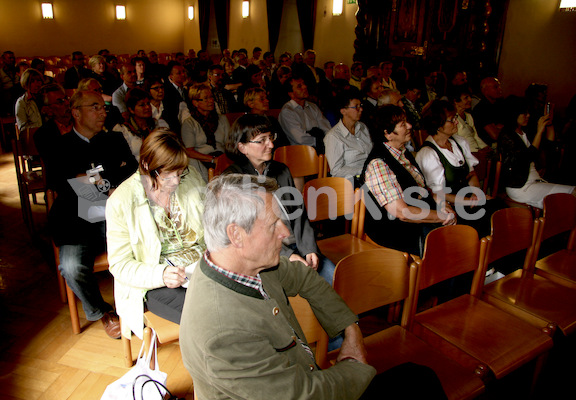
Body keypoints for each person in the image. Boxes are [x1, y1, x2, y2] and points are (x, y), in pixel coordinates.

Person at [180, 173, 447, 400]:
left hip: (306, 383)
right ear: (236, 234)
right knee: (420, 381)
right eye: (274, 225)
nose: (285, 233)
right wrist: (356, 367)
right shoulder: (222, 333)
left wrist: (350, 330)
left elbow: (303, 277)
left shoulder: (243, 267)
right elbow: (303, 395)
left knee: (419, 379)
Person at [46, 90, 138, 339]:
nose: (102, 112)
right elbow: (58, 183)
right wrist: (101, 183)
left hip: (114, 214)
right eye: (95, 107)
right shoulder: (60, 146)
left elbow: (131, 168)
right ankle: (102, 311)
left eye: (103, 107)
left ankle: (142, 300)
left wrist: (94, 182)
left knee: (144, 245)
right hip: (76, 221)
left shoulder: (114, 139)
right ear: (76, 112)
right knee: (72, 267)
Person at [106, 129, 206, 339]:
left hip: (202, 265)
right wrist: (160, 275)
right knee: (205, 313)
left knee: (238, 294)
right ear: (145, 167)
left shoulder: (191, 177)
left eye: (180, 173)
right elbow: (119, 265)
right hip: (156, 280)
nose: (177, 181)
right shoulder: (121, 201)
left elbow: (212, 223)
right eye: (168, 175)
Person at [224, 114, 336, 284]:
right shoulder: (233, 179)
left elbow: (299, 214)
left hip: (297, 244)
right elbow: (250, 232)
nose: (271, 144)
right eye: (262, 140)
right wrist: (288, 255)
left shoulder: (281, 170)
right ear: (242, 147)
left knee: (336, 281)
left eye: (271, 137)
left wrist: (309, 249)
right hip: (267, 253)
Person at [362, 105, 456, 256]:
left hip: (415, 220)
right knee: (447, 243)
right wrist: (440, 216)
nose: (410, 126)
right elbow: (401, 212)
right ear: (387, 134)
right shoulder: (378, 164)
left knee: (462, 229)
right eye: (403, 124)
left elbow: (423, 192)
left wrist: (443, 205)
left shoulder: (403, 154)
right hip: (394, 230)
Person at [416, 100, 502, 237]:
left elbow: (471, 173)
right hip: (451, 206)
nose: (457, 122)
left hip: (469, 199)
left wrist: (476, 193)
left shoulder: (459, 142)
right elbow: (438, 194)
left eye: (456, 117)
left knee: (499, 208)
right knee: (486, 221)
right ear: (438, 125)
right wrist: (470, 201)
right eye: (452, 119)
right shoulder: (428, 153)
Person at [498, 96, 575, 209]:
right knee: (571, 196)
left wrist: (549, 124)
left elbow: (549, 145)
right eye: (524, 113)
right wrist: (539, 131)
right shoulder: (506, 135)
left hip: (535, 181)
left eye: (528, 112)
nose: (528, 115)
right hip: (521, 187)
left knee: (572, 194)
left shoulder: (524, 132)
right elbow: (527, 157)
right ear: (514, 114)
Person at [181, 83, 228, 181]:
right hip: (201, 160)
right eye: (205, 98)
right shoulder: (189, 123)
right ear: (195, 103)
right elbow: (189, 151)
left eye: (211, 97)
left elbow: (229, 144)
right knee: (192, 162)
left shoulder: (222, 119)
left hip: (221, 157)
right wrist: (212, 159)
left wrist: (221, 159)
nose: (210, 101)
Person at [324, 89, 373, 183]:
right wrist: (364, 170)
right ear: (343, 111)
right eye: (356, 107)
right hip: (350, 181)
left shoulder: (362, 127)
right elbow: (336, 170)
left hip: (369, 176)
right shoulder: (334, 136)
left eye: (361, 106)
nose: (361, 109)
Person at [112, 88, 168, 160]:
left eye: (148, 103)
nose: (147, 107)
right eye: (142, 105)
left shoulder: (158, 125)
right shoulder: (122, 130)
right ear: (131, 109)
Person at [278, 77, 331, 154]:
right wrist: (321, 141)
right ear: (291, 94)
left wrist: (329, 140)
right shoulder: (287, 111)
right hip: (299, 153)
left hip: (321, 148)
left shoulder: (313, 107)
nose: (305, 87)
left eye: (304, 84)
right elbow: (300, 138)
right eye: (299, 86)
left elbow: (326, 128)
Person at [33, 84, 72, 169]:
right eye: (60, 102)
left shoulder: (81, 123)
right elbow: (57, 166)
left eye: (66, 98)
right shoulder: (43, 135)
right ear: (47, 110)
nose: (67, 103)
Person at [448, 85, 488, 153]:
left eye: (470, 97)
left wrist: (485, 147)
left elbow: (475, 136)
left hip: (476, 151)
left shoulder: (469, 116)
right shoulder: (451, 119)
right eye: (466, 98)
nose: (470, 99)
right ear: (456, 101)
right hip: (465, 153)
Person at [472, 77, 504, 146]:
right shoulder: (480, 109)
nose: (500, 89)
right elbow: (495, 135)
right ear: (485, 91)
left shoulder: (500, 104)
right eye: (495, 87)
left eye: (499, 86)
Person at [0, 51, 22, 118]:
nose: (12, 60)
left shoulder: (18, 72)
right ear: (4, 60)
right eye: (9, 58)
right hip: (6, 98)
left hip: (18, 95)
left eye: (13, 58)